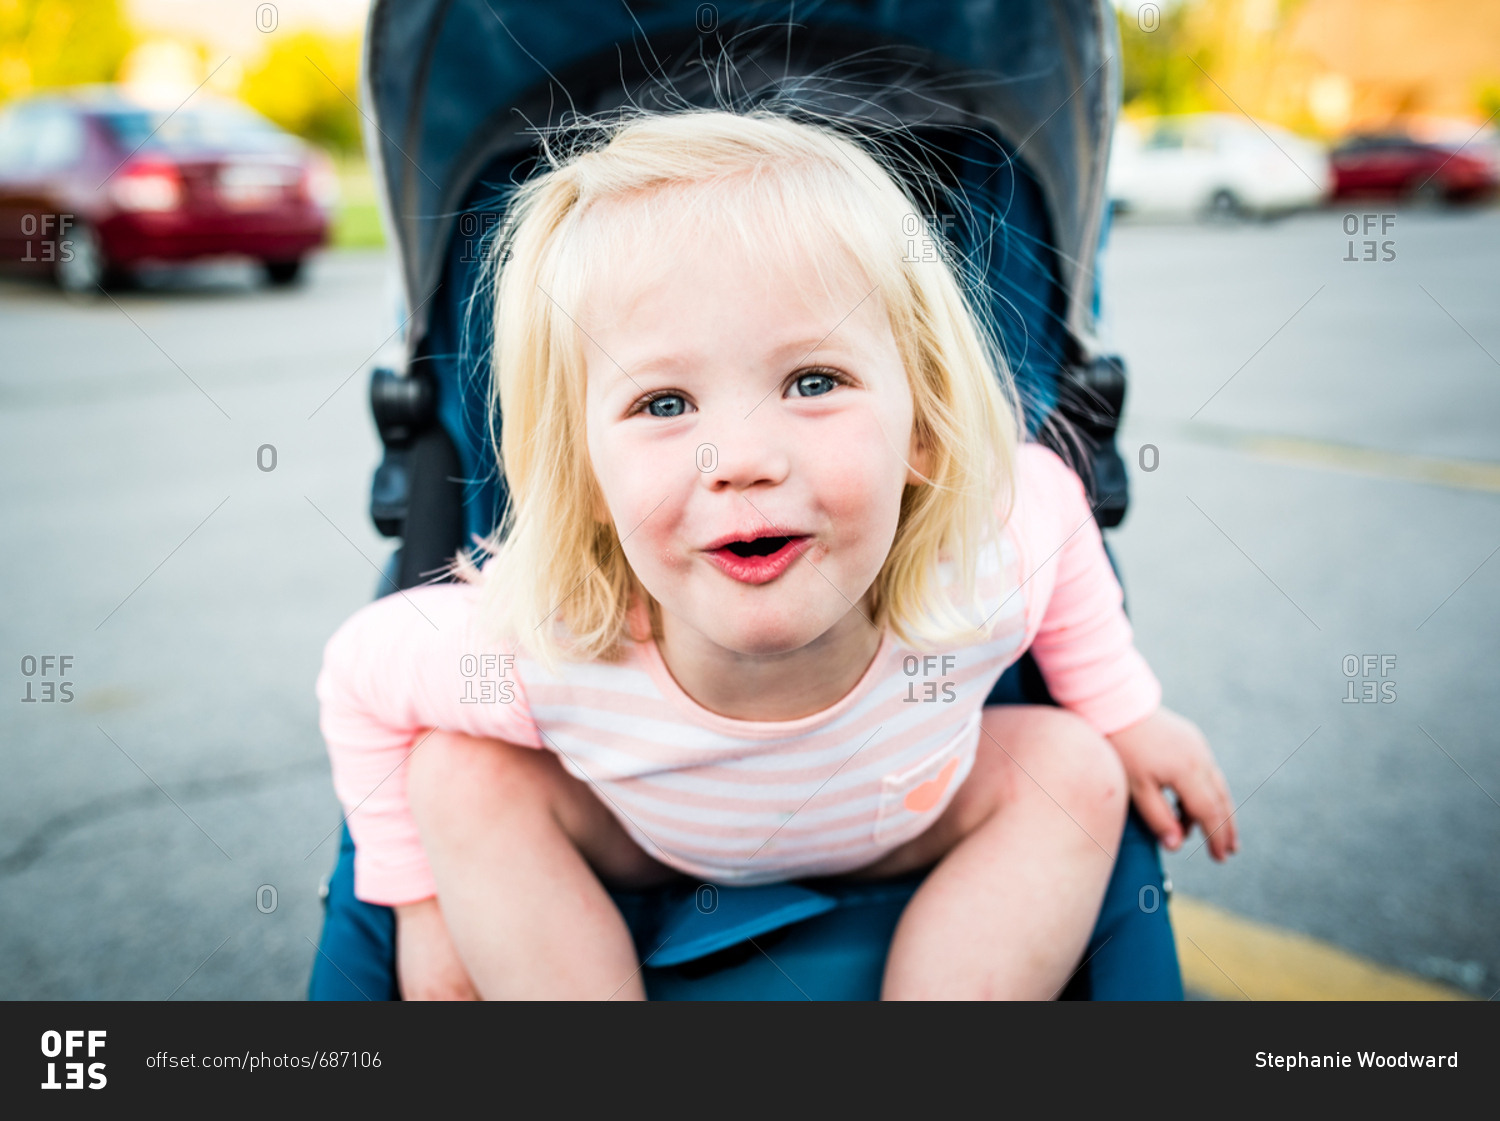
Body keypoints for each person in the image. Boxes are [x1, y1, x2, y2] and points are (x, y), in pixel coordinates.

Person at [316, 108, 1237, 1001]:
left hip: (908, 807)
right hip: (648, 829)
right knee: (458, 771)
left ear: (924, 430)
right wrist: (420, 900)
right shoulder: (541, 651)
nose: (743, 460)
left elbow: (1056, 506)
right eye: (665, 403)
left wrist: (1124, 711)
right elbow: (357, 677)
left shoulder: (982, 566)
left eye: (813, 381)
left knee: (1075, 767)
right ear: (585, 473)